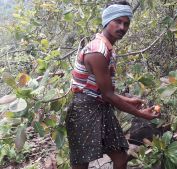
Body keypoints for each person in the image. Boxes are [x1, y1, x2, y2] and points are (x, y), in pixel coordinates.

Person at [65, 1, 160, 169]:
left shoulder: (107, 49)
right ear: (107, 21)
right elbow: (108, 95)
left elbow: (102, 91)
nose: (122, 27)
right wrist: (140, 114)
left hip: (100, 107)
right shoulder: (97, 51)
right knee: (81, 163)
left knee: (121, 158)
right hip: (83, 110)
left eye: (126, 23)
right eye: (118, 21)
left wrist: (128, 101)